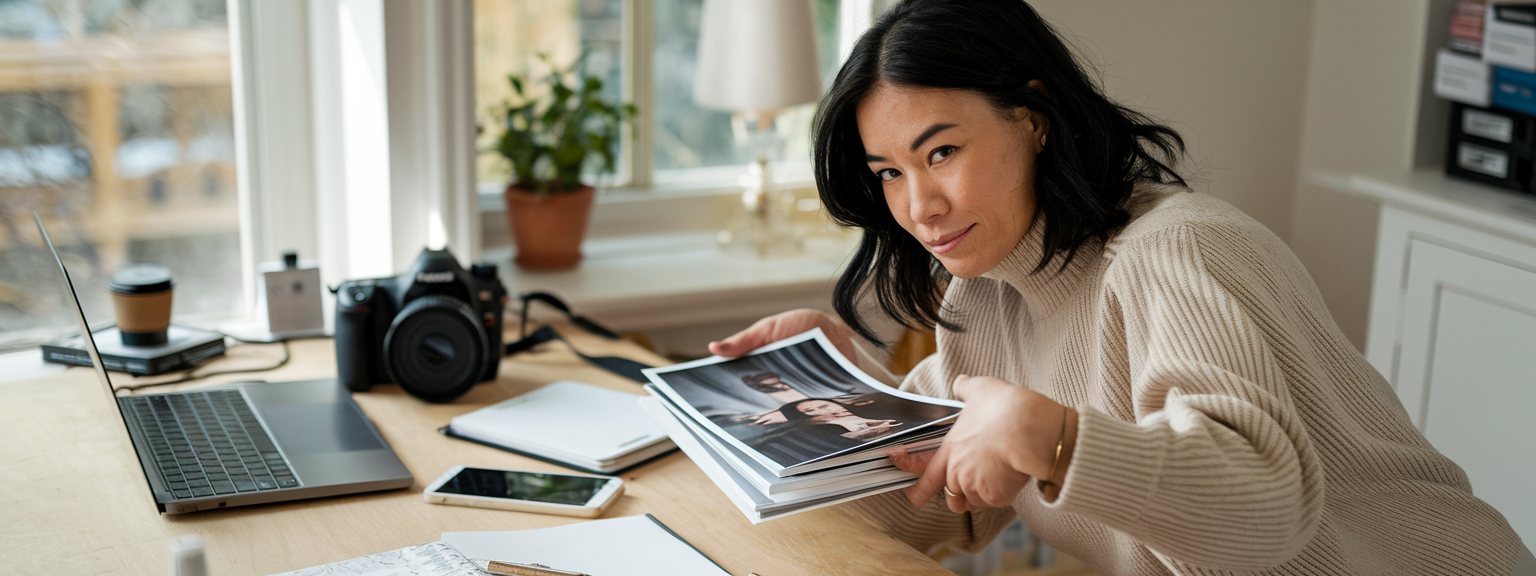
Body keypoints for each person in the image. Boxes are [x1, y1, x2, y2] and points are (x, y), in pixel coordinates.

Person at [707, 1, 1532, 575]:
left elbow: (1266, 509)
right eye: (890, 171)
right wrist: (814, 400)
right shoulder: (987, 300)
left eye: (942, 153)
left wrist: (1050, 434)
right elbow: (939, 503)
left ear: (1033, 117)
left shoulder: (1179, 250)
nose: (918, 206)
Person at [779, 398, 905, 442]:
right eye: (809, 411)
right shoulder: (826, 425)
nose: (820, 411)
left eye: (824, 406)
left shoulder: (869, 407)